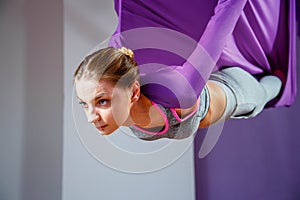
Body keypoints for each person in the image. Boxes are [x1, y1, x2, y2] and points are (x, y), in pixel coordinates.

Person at [74, 47, 282, 141]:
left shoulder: (176, 94)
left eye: (101, 101)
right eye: (84, 103)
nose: (91, 118)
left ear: (134, 92)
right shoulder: (121, 103)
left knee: (274, 87)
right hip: (222, 97)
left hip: (237, 91)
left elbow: (212, 41)